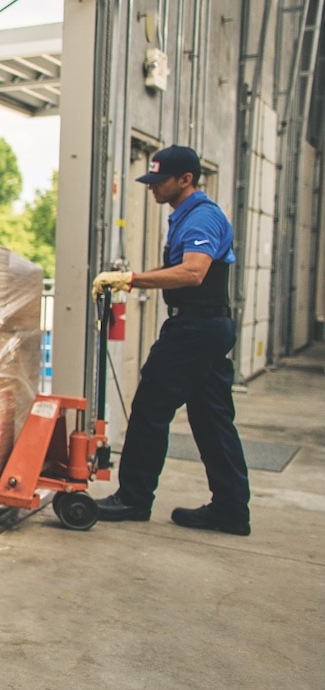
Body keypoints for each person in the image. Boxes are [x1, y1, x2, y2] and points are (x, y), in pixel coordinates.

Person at [92, 145, 250, 535]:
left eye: (159, 181)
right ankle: (231, 509)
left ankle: (132, 497)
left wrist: (131, 280)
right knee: (212, 418)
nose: (152, 187)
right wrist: (134, 277)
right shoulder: (187, 216)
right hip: (206, 327)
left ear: (186, 180)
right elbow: (179, 267)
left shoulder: (201, 218)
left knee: (150, 407)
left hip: (195, 329)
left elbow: (193, 273)